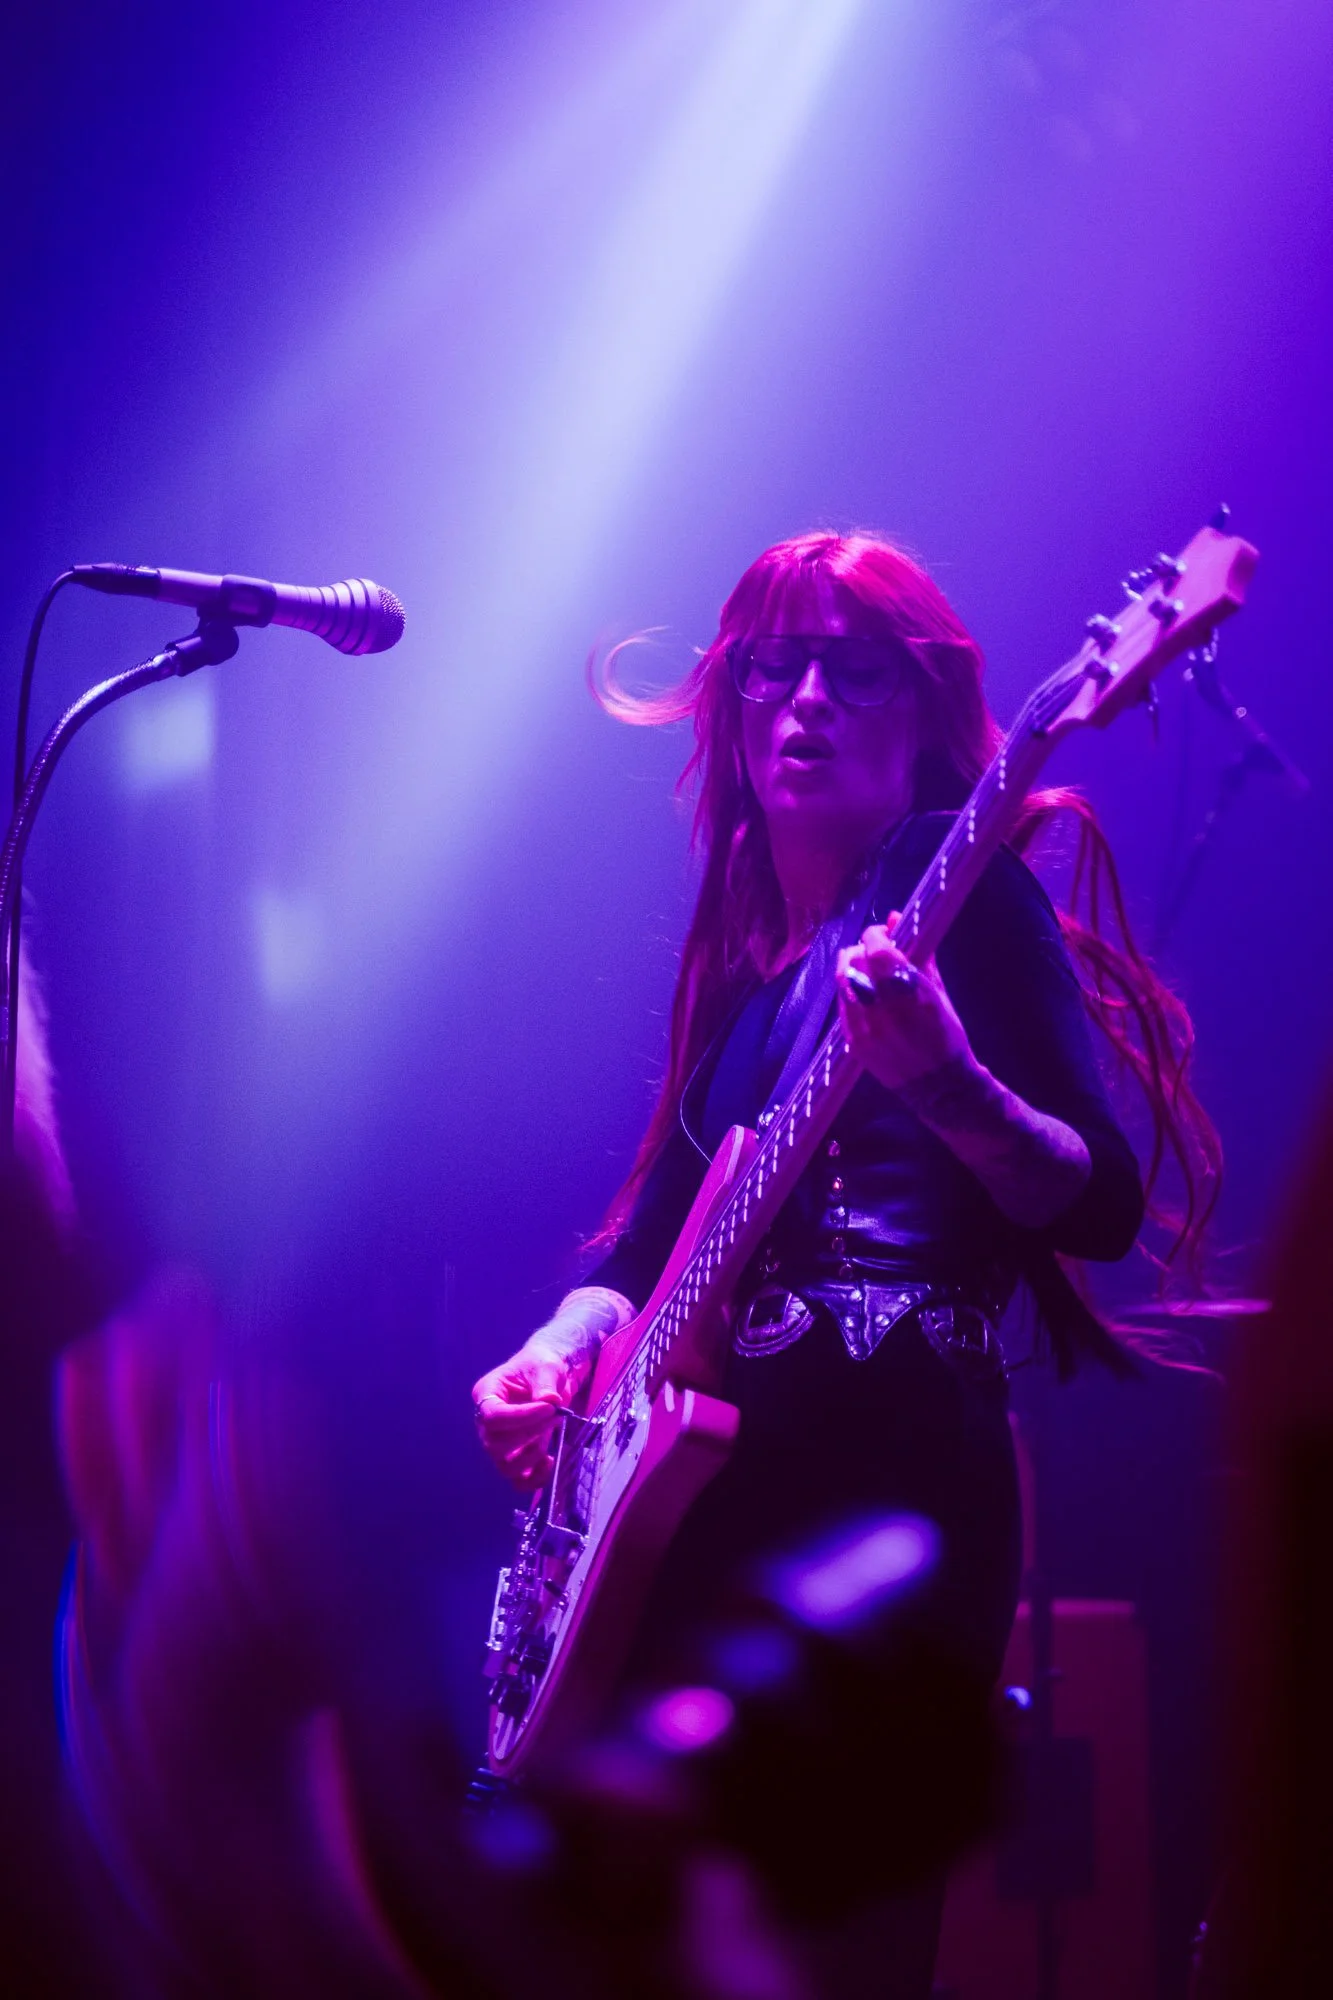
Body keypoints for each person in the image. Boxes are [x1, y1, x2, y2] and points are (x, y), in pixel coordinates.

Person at [471, 531, 1215, 1996]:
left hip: (886, 1504)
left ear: (925, 710)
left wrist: (950, 1085)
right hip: (701, 1520)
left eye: (853, 669)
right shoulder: (752, 1000)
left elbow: (1099, 1199)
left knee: (824, 1951)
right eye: (772, 668)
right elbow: (640, 1252)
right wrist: (556, 1350)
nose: (805, 700)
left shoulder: (965, 895)